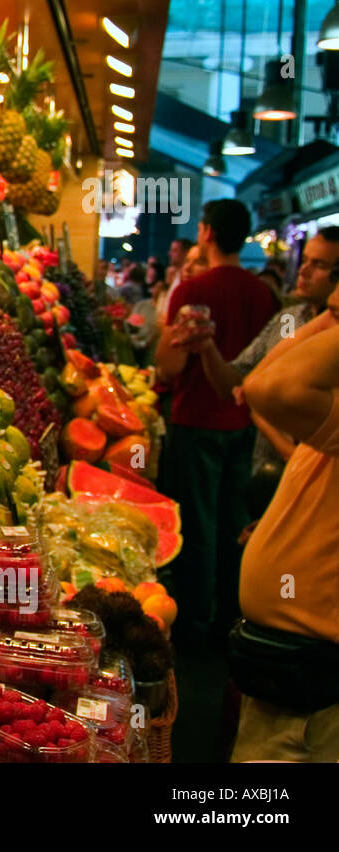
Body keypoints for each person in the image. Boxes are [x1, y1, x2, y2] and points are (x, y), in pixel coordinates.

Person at [154, 200, 278, 648]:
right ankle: (232, 618)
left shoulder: (193, 290)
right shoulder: (264, 293)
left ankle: (191, 628)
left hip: (196, 419)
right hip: (248, 423)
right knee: (235, 524)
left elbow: (167, 368)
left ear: (205, 233)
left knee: (197, 527)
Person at [229, 283, 339, 761]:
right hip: (289, 681)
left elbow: (268, 386)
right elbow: (261, 379)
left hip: (320, 698)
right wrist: (328, 314)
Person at [190, 227, 339, 486]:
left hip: (319, 482)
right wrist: (206, 347)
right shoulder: (289, 320)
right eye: (305, 261)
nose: (304, 271)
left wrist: (256, 406)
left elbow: (258, 390)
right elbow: (238, 383)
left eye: (320, 265)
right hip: (267, 474)